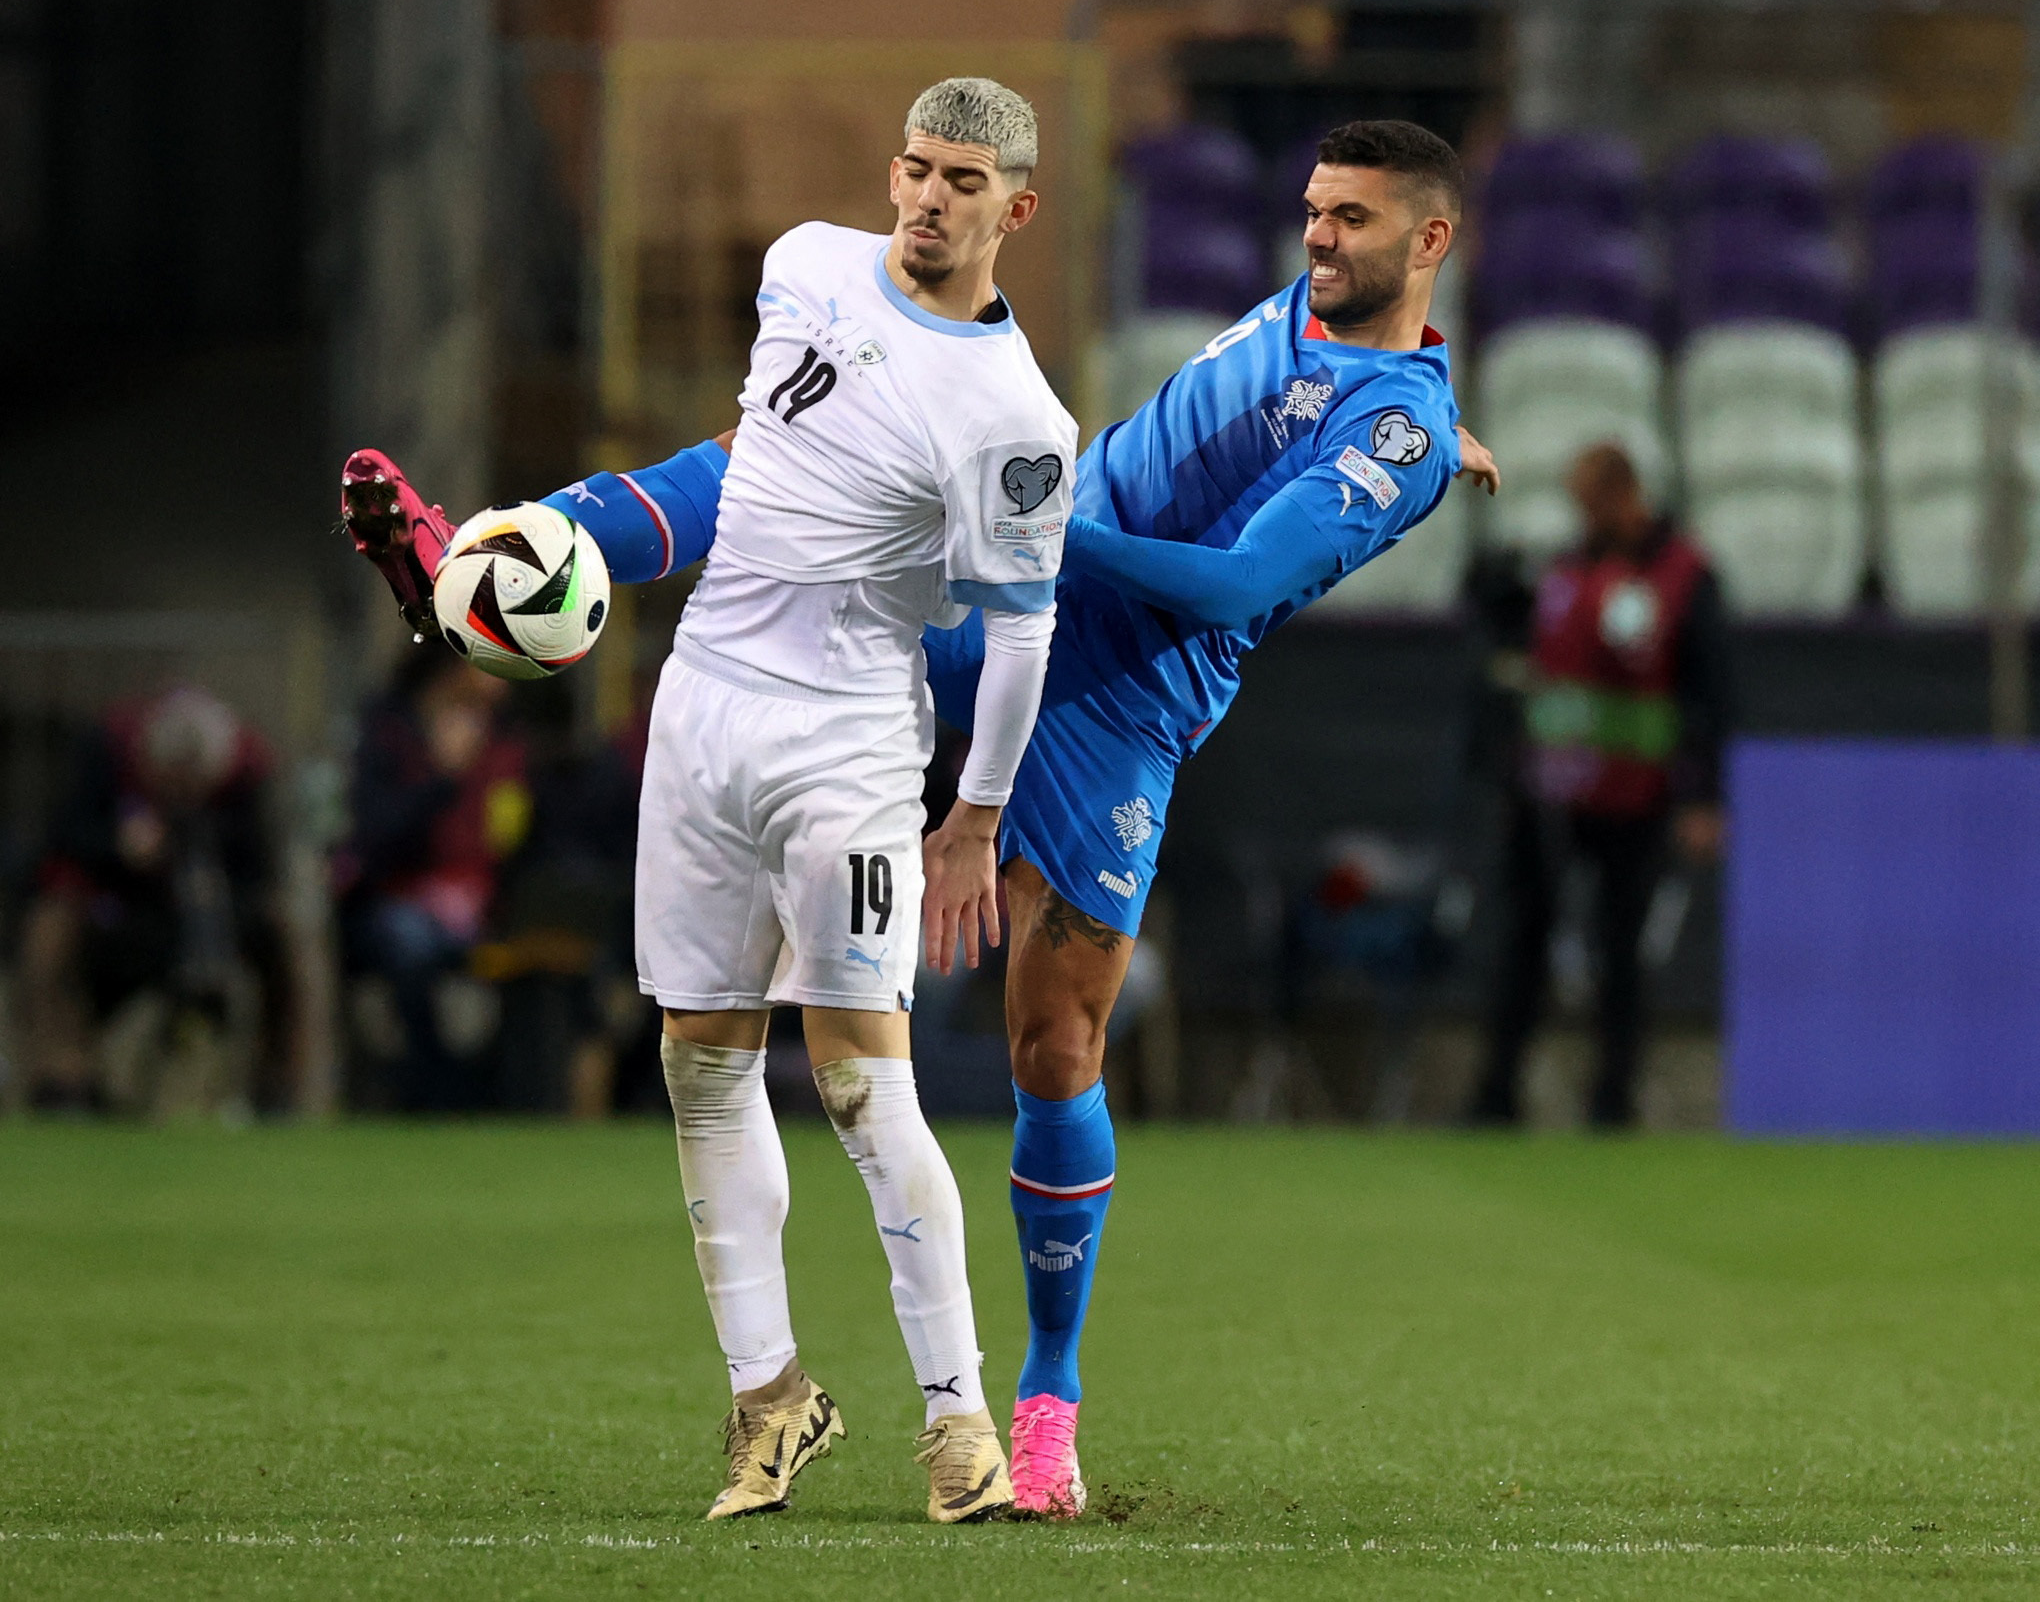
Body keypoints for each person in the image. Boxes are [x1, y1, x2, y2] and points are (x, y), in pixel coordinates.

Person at [345, 117, 1497, 1517]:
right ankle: (500, 558)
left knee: (1055, 1045)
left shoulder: (1399, 435)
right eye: (1313, 212)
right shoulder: (1344, 338)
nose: (1318, 237)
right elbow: (1350, 391)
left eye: (1353, 221)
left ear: (1428, 241)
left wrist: (1044, 520)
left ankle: (1047, 1399)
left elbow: (1228, 585)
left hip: (1119, 698)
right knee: (784, 452)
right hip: (975, 606)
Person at [347, 77, 1071, 1524]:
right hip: (700, 713)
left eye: (964, 181)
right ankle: (771, 1401)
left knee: (865, 1080)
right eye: (917, 169)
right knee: (699, 1061)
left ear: (1018, 207)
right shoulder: (801, 266)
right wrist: (554, 530)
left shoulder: (1015, 419)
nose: (930, 198)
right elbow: (733, 474)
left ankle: (957, 1420)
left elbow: (1022, 629)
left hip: (851, 744)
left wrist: (974, 819)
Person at [1467, 442, 1730, 1129]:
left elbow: (1711, 691)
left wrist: (1703, 796)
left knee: (1620, 949)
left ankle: (1613, 1100)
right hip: (1550, 783)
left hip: (1635, 790)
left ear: (1622, 494)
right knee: (1525, 937)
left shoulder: (1685, 575)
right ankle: (1497, 1094)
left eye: (1590, 503)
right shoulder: (1567, 566)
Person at [17, 686, 281, 1115]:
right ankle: (63, 1077)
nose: (181, 793)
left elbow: (258, 870)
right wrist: (118, 846)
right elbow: (59, 839)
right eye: (171, 780)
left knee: (284, 932)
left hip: (202, 919)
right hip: (111, 904)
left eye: (193, 784)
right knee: (51, 931)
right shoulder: (106, 752)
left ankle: (276, 1088)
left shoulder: (244, 776)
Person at [336, 645, 531, 1110]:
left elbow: (515, 838)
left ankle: (515, 1102)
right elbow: (377, 839)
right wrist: (442, 779)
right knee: (412, 946)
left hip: (483, 909)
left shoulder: (505, 738)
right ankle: (433, 1097)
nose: (502, 682)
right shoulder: (390, 732)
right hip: (395, 901)